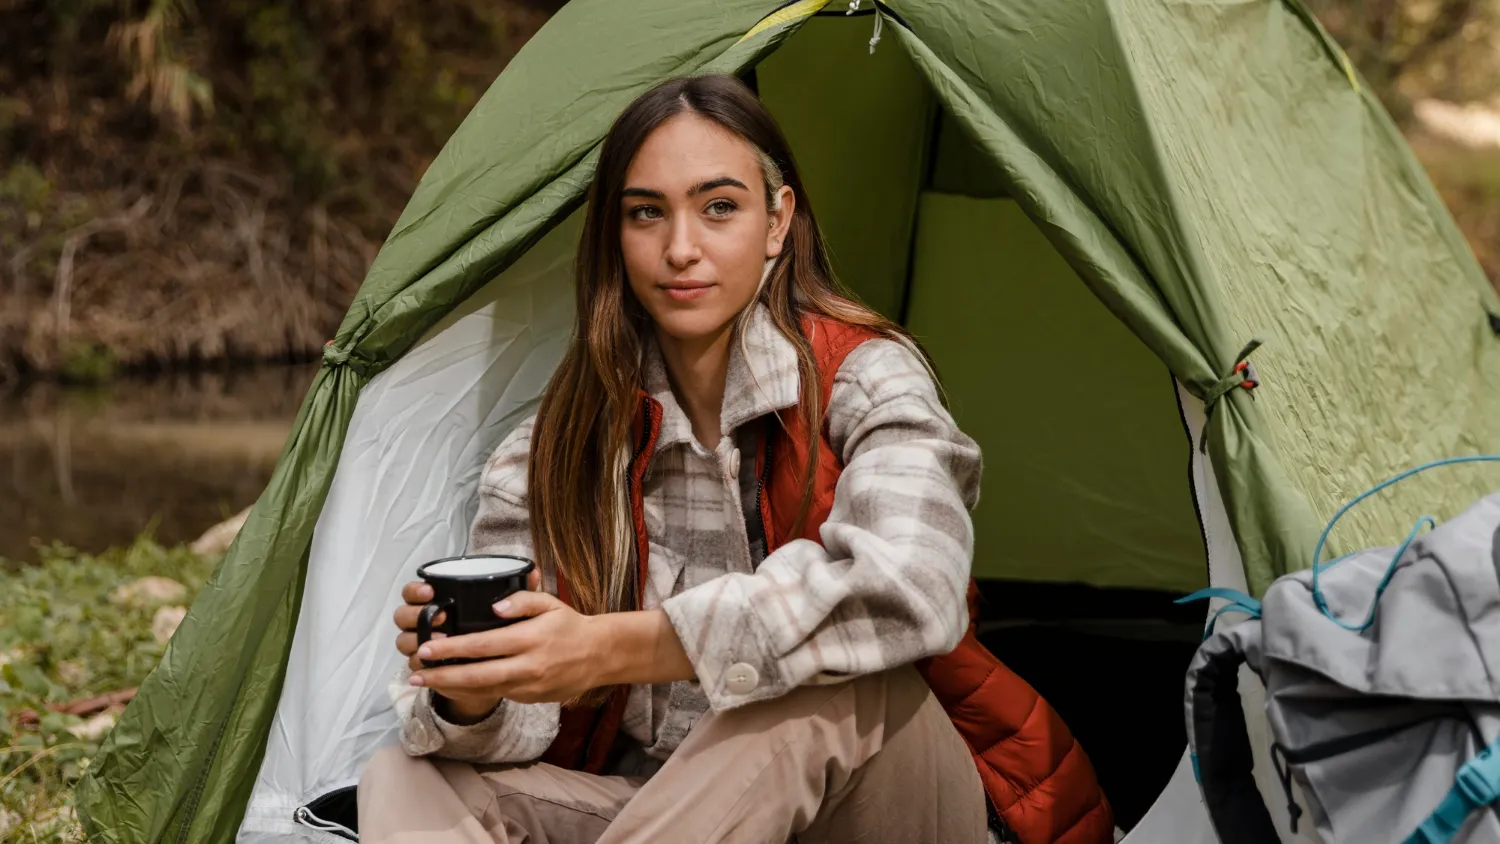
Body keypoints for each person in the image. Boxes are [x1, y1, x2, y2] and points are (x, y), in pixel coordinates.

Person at [359, 74, 1111, 844]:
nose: (680, 249)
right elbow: (520, 730)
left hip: (893, 804)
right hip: (670, 812)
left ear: (778, 221)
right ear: (615, 235)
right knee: (403, 773)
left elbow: (912, 588)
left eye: (719, 207)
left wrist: (606, 650)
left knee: (823, 678)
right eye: (646, 213)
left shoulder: (867, 377)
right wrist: (475, 692)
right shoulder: (556, 447)